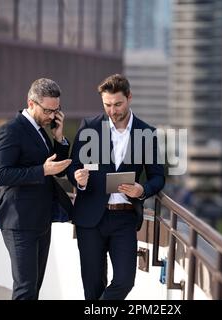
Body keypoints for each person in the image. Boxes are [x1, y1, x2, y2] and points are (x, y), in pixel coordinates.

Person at [67, 74, 165, 300]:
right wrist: (77, 178)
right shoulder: (89, 126)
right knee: (92, 288)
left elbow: (158, 177)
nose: (112, 110)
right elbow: (74, 166)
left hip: (124, 219)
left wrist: (143, 190)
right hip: (90, 219)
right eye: (107, 105)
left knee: (124, 281)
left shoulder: (146, 133)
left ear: (129, 98)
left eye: (118, 104)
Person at [0, 78, 72, 300]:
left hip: (41, 220)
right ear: (31, 103)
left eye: (57, 110)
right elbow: (1, 175)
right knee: (25, 289)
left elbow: (57, 170)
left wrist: (60, 138)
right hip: (19, 222)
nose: (52, 116)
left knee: (34, 288)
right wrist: (41, 170)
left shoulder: (41, 130)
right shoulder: (11, 130)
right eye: (48, 110)